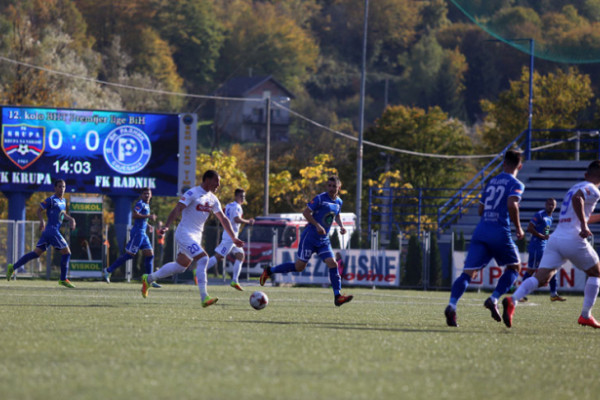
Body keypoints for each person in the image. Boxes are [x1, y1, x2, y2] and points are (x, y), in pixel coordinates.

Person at [502, 160, 600, 329]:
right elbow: (579, 199)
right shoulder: (593, 190)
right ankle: (586, 315)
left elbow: (577, 208)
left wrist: (589, 221)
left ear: (586, 175)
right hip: (573, 238)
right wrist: (583, 227)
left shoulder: (574, 187)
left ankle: (513, 300)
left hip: (556, 238)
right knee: (596, 273)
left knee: (541, 278)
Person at [444, 150, 525, 327]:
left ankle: (452, 305)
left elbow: (480, 210)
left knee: (468, 273)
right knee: (514, 268)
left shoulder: (490, 182)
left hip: (481, 230)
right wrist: (518, 228)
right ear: (520, 166)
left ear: (503, 163)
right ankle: (494, 298)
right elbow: (512, 204)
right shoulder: (516, 183)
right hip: (499, 231)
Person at [140, 170, 244, 307]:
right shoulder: (192, 193)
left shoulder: (213, 199)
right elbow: (177, 209)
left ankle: (149, 278)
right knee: (204, 258)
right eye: (216, 181)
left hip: (196, 236)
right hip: (184, 233)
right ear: (207, 180)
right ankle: (204, 297)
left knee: (180, 266)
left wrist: (234, 238)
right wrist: (166, 226)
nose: (218, 185)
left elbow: (223, 219)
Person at [259, 176, 353, 307]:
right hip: (310, 237)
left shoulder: (339, 202)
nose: (331, 188)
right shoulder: (320, 198)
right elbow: (306, 213)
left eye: (334, 186)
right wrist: (317, 225)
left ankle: (337, 296)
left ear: (339, 188)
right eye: (329, 185)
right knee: (299, 267)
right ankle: (269, 271)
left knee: (333, 264)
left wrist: (341, 226)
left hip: (323, 240)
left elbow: (336, 215)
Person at [6, 179, 77, 288]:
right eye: (59, 186)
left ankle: (13, 267)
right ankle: (63, 279)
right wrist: (42, 220)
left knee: (36, 253)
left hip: (50, 232)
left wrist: (71, 219)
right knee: (67, 253)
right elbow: (39, 210)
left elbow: (62, 215)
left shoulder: (63, 201)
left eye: (63, 187)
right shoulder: (51, 200)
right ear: (55, 188)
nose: (61, 189)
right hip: (52, 231)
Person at [103, 188, 160, 288]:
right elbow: (135, 215)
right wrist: (148, 216)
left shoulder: (147, 205)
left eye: (148, 193)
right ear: (141, 195)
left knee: (150, 254)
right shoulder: (140, 203)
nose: (147, 195)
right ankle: (108, 270)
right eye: (145, 194)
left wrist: (148, 224)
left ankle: (149, 280)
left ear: (151, 195)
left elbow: (142, 218)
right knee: (129, 255)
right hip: (137, 233)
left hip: (143, 233)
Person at [205, 188, 255, 291]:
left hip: (232, 237)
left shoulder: (228, 205)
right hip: (230, 238)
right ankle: (199, 270)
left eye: (244, 197)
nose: (243, 198)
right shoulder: (237, 207)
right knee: (218, 257)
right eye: (241, 196)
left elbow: (223, 215)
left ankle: (234, 280)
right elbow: (236, 219)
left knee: (240, 255)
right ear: (236, 196)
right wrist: (248, 221)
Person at [521, 198, 566, 302]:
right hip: (536, 246)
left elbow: (545, 232)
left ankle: (554, 294)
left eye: (553, 205)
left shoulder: (550, 218)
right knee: (531, 270)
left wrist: (548, 236)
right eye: (549, 204)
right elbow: (530, 228)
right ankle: (521, 293)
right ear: (545, 204)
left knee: (552, 267)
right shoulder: (540, 215)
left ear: (555, 207)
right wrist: (541, 235)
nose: (551, 206)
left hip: (544, 246)